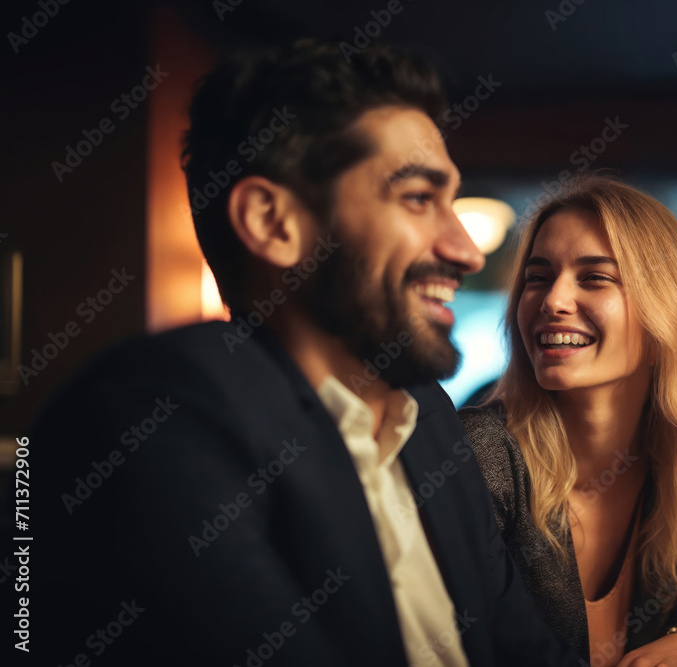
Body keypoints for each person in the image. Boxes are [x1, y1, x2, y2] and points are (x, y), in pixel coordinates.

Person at [30, 40, 580, 666]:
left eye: (451, 202)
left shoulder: (427, 418)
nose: (467, 251)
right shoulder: (154, 413)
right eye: (419, 199)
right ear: (273, 223)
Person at [460, 175, 677, 666]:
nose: (552, 300)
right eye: (538, 277)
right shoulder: (480, 452)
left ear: (666, 311)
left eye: (594, 277)